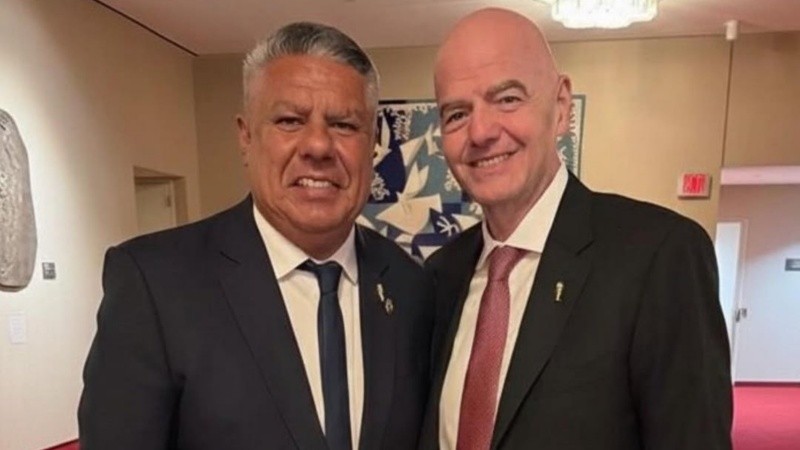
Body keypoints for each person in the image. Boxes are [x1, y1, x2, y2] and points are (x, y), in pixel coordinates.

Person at [79, 22, 434, 450]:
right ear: (245, 136)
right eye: (290, 121)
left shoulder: (411, 287)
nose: (318, 146)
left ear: (373, 142)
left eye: (343, 125)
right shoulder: (155, 285)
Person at [420, 8, 732, 450]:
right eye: (456, 114)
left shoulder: (659, 256)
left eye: (507, 98)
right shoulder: (439, 276)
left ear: (561, 107)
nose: (481, 131)